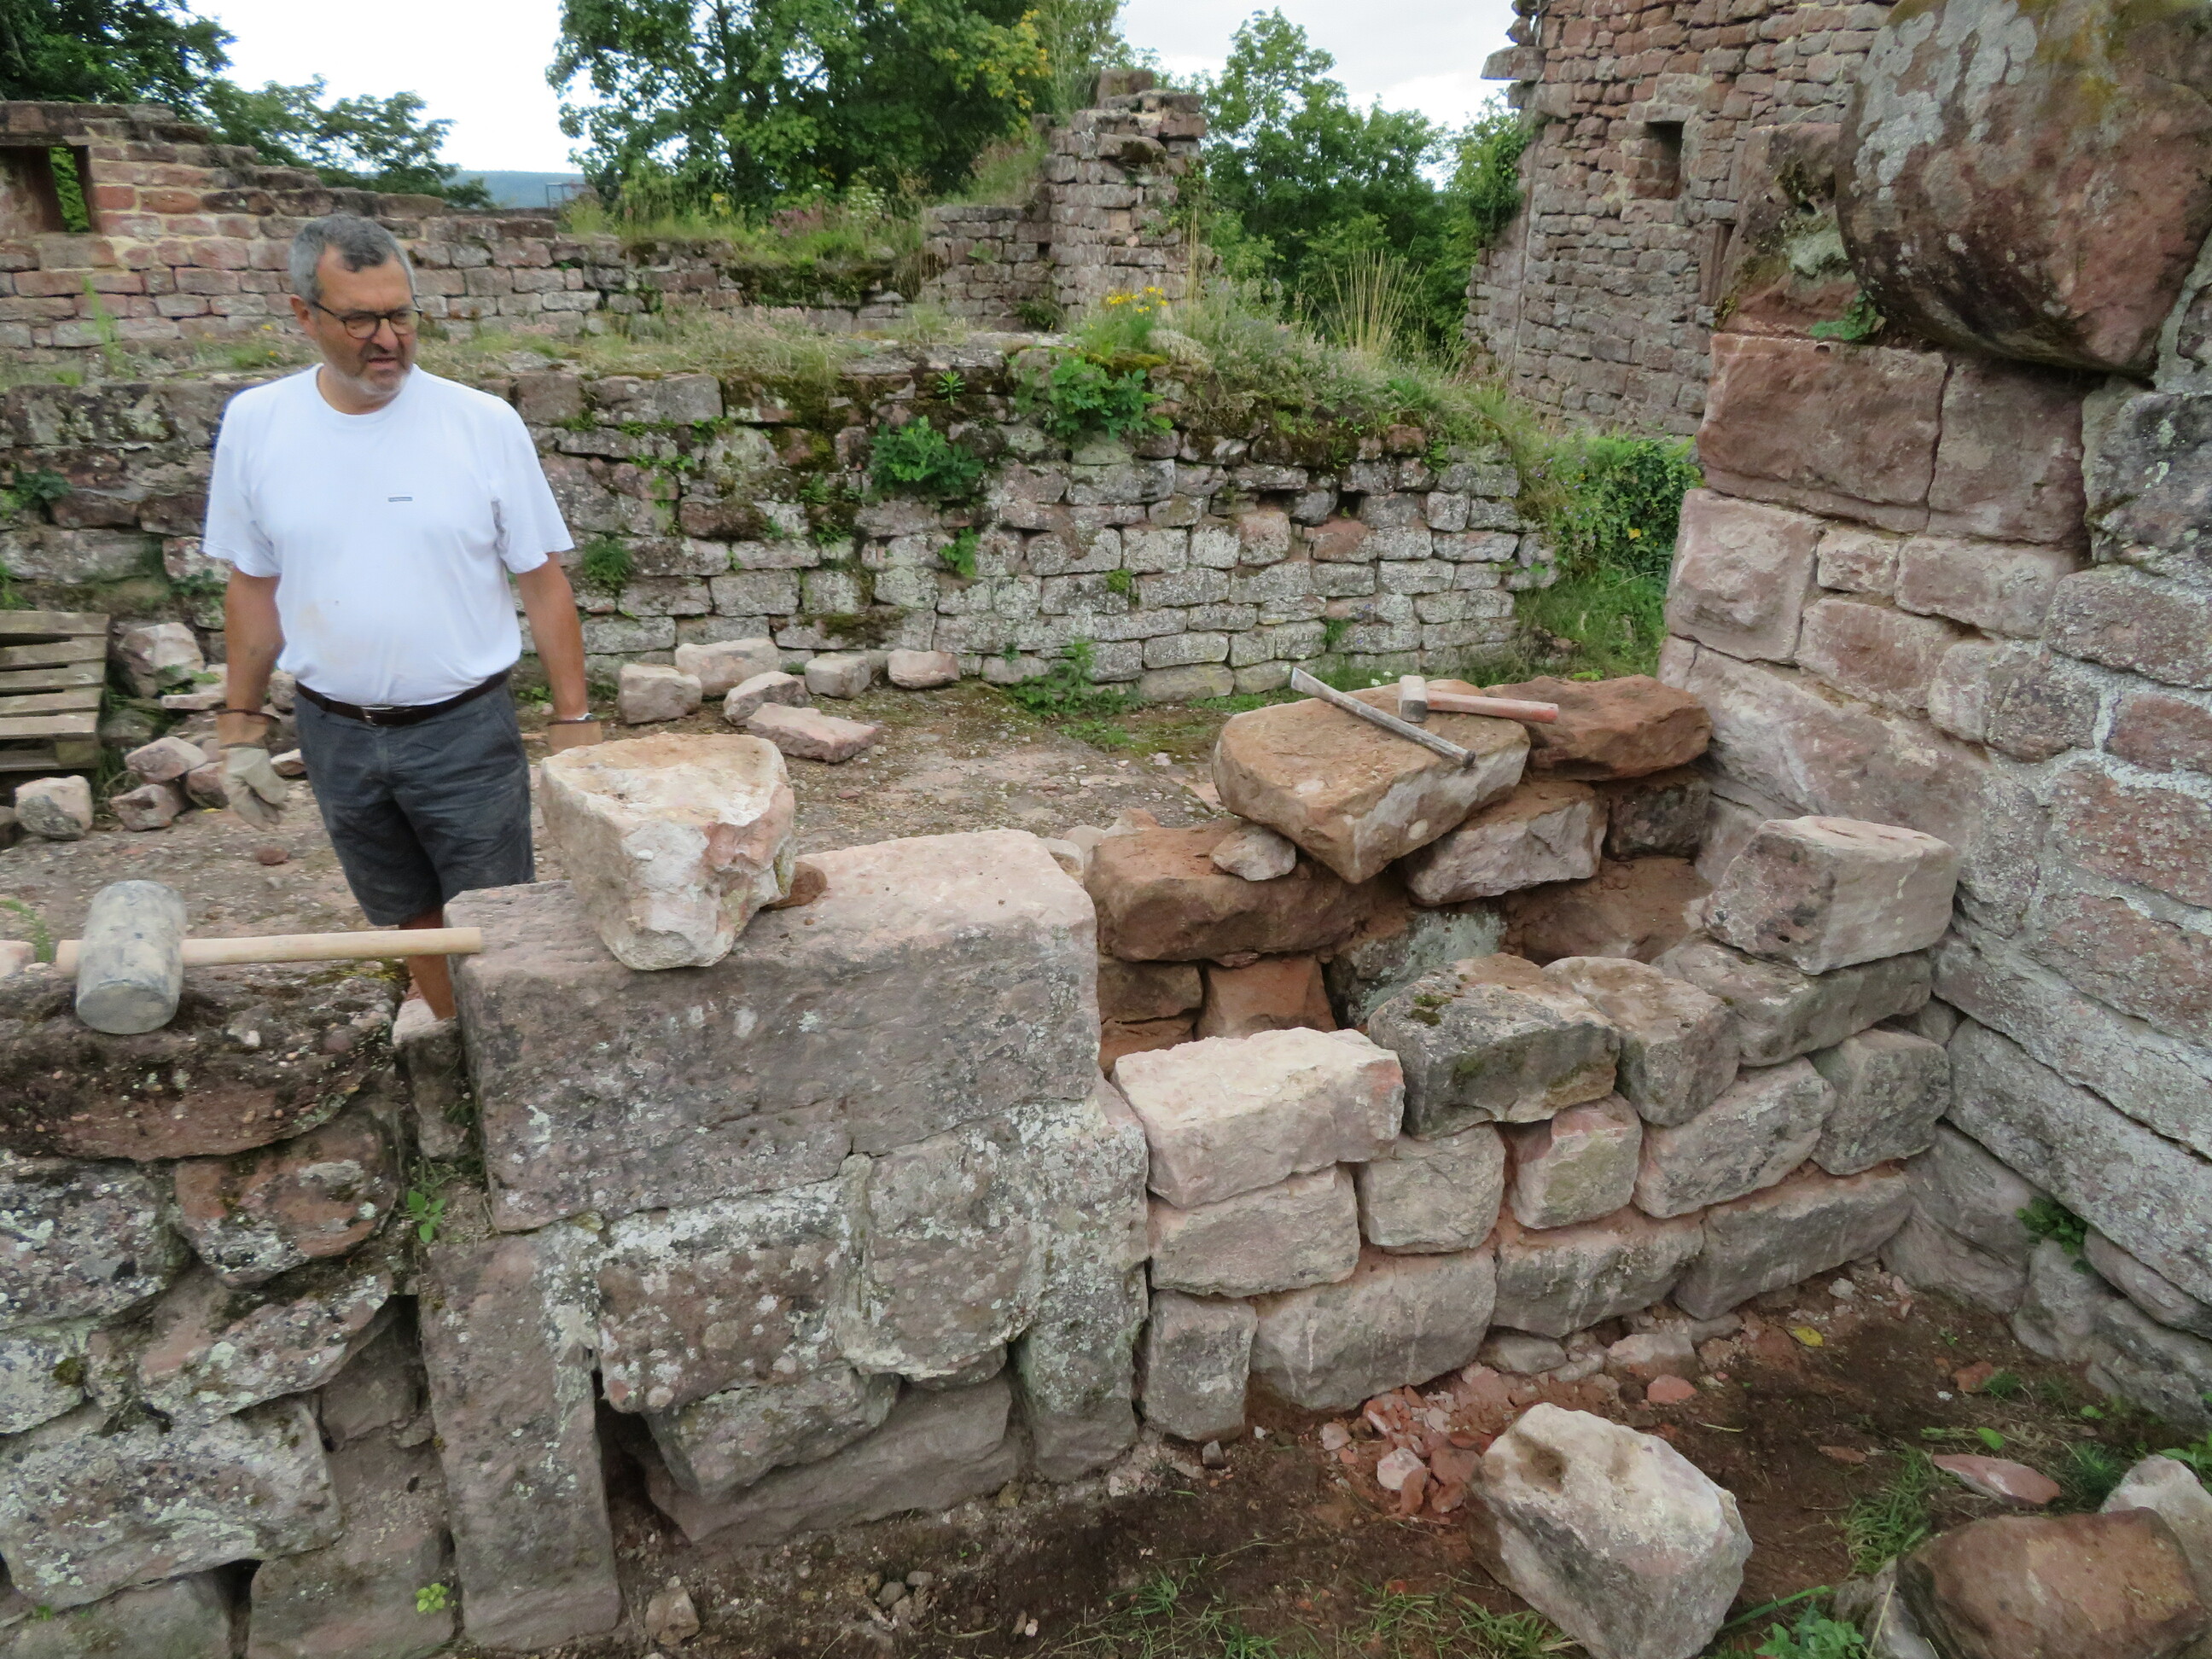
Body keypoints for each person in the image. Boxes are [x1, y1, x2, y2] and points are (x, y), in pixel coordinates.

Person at [204, 213, 601, 1019]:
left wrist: (574, 722)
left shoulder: (480, 423)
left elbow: (542, 578)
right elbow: (253, 582)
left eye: (401, 314)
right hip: (334, 732)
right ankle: (452, 1034)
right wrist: (240, 724)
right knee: (404, 907)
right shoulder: (257, 423)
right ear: (304, 315)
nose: (388, 340)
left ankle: (505, 1046)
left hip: (464, 730)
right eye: (361, 320)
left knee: (497, 914)